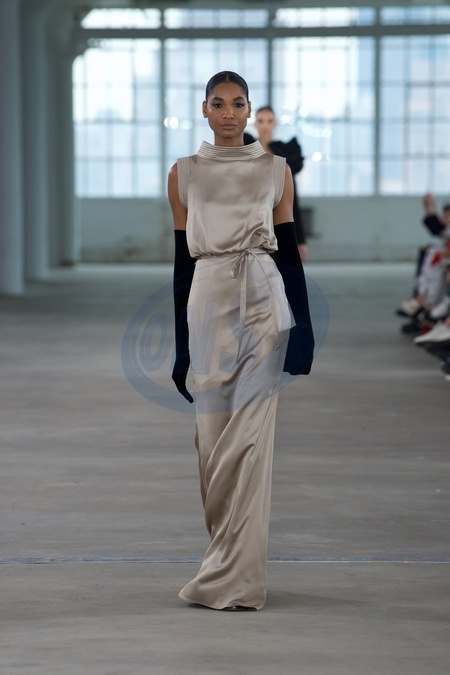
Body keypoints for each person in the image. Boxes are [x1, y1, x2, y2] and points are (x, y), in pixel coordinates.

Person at [168, 71, 314, 611]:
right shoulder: (183, 173)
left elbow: (289, 252)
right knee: (212, 439)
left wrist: (303, 329)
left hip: (262, 299)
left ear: (249, 110)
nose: (228, 113)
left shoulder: (276, 171)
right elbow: (182, 264)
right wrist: (182, 348)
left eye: (237, 103)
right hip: (207, 299)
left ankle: (241, 580)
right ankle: (223, 559)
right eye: (218, 103)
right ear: (204, 110)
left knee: (250, 436)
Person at [244, 106, 308, 262]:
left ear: (275, 124)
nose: (265, 125)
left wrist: (300, 239)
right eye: (261, 121)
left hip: (278, 220)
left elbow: (292, 200)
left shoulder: (285, 153)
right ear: (255, 124)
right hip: (249, 221)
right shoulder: (244, 150)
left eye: (269, 121)